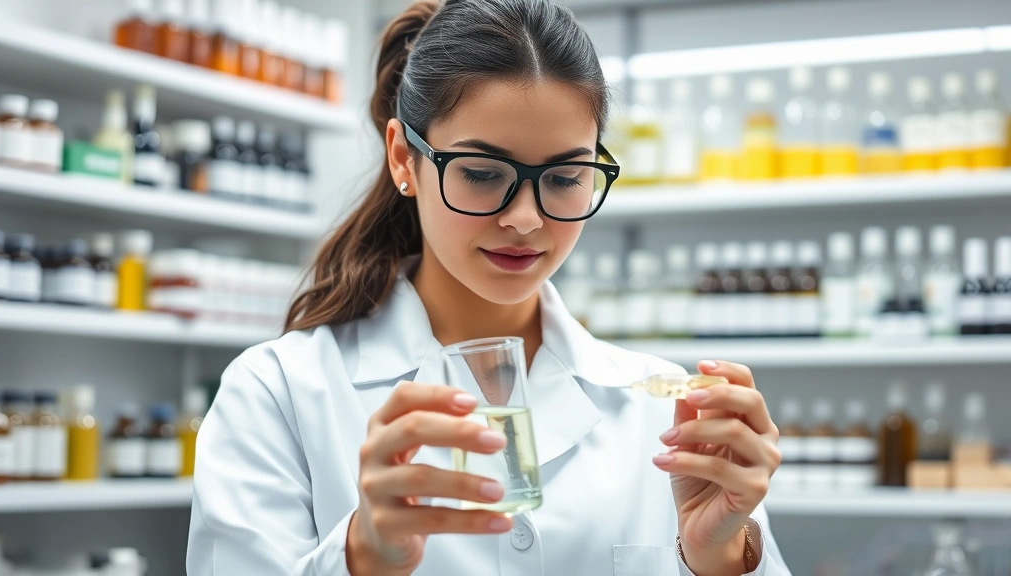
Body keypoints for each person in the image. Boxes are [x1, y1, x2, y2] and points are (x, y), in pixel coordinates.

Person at [186, 1, 791, 574]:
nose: (526, 217)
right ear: (404, 158)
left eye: (565, 177)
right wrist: (359, 556)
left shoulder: (661, 408)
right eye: (481, 173)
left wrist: (719, 559)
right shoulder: (279, 394)